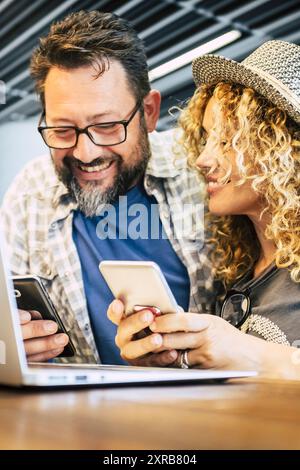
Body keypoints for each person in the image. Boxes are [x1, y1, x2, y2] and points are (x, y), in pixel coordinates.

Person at [0, 10, 214, 365]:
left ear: (148, 112)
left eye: (107, 126)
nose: (86, 152)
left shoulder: (203, 171)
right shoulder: (29, 194)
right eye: (63, 130)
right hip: (83, 411)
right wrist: (12, 346)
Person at [108, 40, 300, 378]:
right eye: (208, 139)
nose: (203, 159)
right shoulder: (236, 271)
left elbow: (251, 360)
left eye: (226, 141)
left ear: (285, 150)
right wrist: (173, 360)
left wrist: (250, 354)